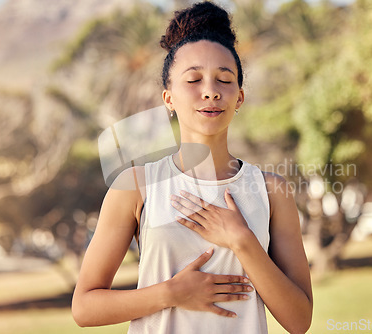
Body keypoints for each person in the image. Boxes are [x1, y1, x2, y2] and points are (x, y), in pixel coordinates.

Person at [71, 2, 313, 333]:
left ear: (239, 97)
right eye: (194, 79)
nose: (211, 92)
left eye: (224, 80)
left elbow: (299, 321)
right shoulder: (137, 186)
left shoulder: (272, 190)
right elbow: (85, 307)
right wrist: (171, 293)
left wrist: (242, 239)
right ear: (168, 98)